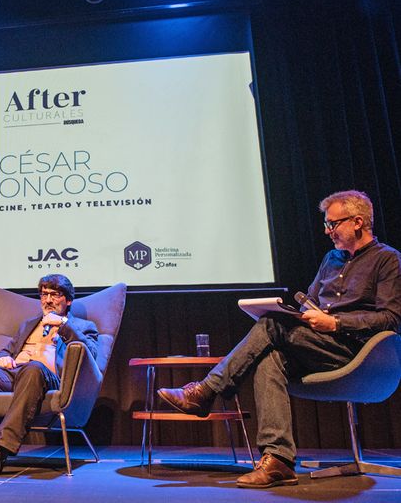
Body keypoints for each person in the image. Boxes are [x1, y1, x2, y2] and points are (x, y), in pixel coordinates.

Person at [157, 190, 401, 488]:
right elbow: (309, 300)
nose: (328, 231)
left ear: (358, 221)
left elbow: (392, 319)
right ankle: (279, 461)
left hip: (358, 352)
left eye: (333, 224)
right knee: (269, 359)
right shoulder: (331, 259)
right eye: (327, 224)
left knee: (271, 323)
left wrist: (335, 322)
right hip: (318, 345)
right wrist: (302, 315)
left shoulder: (387, 260)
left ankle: (206, 391)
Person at [0, 274, 99, 477]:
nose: (48, 300)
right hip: (15, 375)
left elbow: (91, 353)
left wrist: (62, 326)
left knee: (33, 368)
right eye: (44, 295)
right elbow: (5, 351)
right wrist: (2, 359)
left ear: (68, 300)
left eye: (55, 295)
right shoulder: (28, 325)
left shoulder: (82, 327)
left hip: (49, 379)